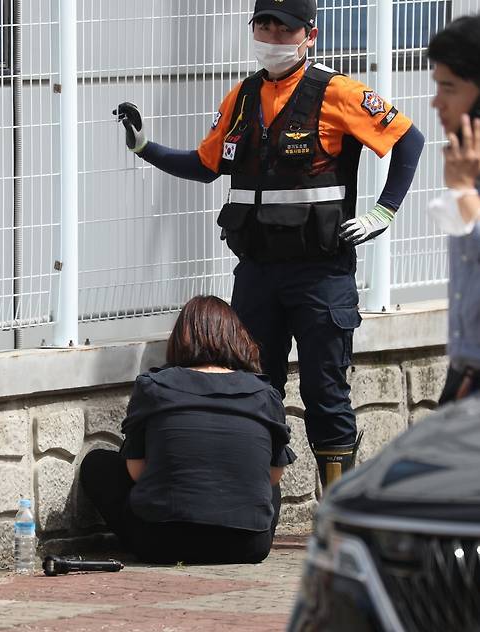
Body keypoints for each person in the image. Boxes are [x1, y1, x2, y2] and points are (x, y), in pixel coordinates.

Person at [114, 0, 424, 487]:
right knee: (257, 388)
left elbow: (410, 139)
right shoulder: (241, 97)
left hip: (321, 273)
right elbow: (205, 165)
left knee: (326, 393)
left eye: (285, 29)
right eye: (264, 26)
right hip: (256, 272)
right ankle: (261, 502)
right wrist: (143, 147)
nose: (273, 37)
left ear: (310, 35)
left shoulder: (337, 92)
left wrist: (384, 211)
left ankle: (337, 509)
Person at [80, 296, 296, 564]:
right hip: (248, 545)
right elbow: (274, 476)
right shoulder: (265, 393)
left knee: (97, 464)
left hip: (160, 542)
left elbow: (137, 471)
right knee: (265, 479)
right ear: (237, 338)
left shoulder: (153, 387)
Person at [427, 15, 480, 404]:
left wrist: (462, 191)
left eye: (449, 88)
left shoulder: (465, 178)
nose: (436, 102)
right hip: (463, 375)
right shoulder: (468, 165)